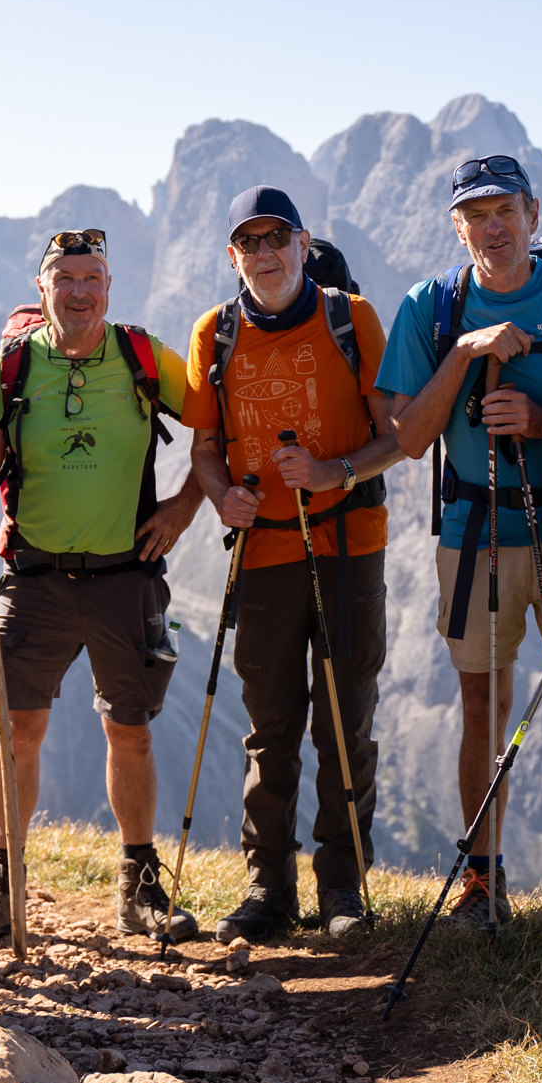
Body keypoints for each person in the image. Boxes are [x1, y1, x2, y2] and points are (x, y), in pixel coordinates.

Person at [377, 153, 542, 931]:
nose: (493, 229)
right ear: (458, 227)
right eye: (476, 216)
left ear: (532, 214)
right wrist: (464, 354)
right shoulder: (432, 307)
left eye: (505, 212)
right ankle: (482, 885)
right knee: (482, 705)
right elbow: (408, 436)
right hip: (474, 528)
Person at [0, 228, 207, 943]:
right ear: (43, 289)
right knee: (19, 729)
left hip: (127, 575)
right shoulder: (9, 367)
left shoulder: (144, 356)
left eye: (92, 276)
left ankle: (141, 887)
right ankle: (3, 885)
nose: (79, 290)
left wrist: (183, 507)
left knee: (131, 730)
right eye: (64, 278)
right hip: (32, 575)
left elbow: (217, 426)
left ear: (110, 285)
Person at [185, 186, 402, 942]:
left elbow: (397, 433)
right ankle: (267, 887)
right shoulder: (213, 333)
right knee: (269, 722)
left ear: (303, 243)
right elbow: (206, 449)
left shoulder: (352, 317)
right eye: (249, 242)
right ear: (232, 255)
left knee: (345, 718)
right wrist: (222, 498)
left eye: (277, 237)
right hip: (264, 549)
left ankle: (342, 886)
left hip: (348, 542)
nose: (265, 253)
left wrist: (333, 470)